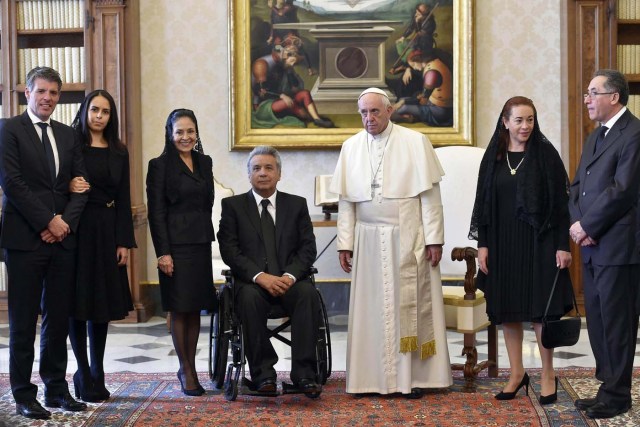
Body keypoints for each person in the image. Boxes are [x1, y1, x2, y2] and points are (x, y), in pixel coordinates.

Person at [329, 87, 451, 398]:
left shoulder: (415, 142)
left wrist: (434, 238)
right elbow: (346, 202)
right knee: (372, 310)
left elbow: (430, 197)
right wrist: (345, 244)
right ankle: (369, 379)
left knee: (407, 307)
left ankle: (413, 380)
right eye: (363, 113)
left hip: (408, 238)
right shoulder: (351, 146)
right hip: (367, 239)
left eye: (374, 112)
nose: (368, 118)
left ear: (389, 111)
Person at [468, 96, 574, 405]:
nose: (525, 126)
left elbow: (560, 206)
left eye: (529, 120)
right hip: (503, 244)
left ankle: (547, 373)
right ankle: (516, 373)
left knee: (542, 312)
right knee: (508, 311)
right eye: (518, 120)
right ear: (505, 122)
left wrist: (562, 246)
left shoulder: (546, 155)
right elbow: (484, 206)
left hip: (540, 243)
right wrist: (482, 245)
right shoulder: (494, 158)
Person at [0, 66, 88, 420]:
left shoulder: (68, 135)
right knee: (23, 321)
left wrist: (63, 223)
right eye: (42, 92)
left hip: (62, 240)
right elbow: (12, 182)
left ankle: (56, 388)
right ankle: (23, 393)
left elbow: (80, 185)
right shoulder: (8, 130)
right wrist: (47, 220)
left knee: (58, 319)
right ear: (27, 93)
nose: (48, 98)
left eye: (54, 92)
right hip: (24, 241)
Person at [217, 145, 320, 394]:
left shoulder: (296, 205)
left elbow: (307, 249)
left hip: (290, 283)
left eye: (268, 168)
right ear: (249, 174)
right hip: (253, 284)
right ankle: (264, 375)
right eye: (256, 168)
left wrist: (289, 276)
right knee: (249, 299)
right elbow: (230, 250)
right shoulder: (233, 206)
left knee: (308, 295)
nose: (262, 173)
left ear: (279, 174)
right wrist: (260, 277)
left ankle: (304, 375)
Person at [569, 69, 640, 419]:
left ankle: (618, 396)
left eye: (593, 92)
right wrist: (577, 224)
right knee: (597, 321)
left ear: (614, 97)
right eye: (587, 93)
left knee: (617, 322)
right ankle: (606, 387)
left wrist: (589, 224)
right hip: (593, 244)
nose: (587, 99)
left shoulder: (635, 133)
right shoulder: (597, 136)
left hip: (619, 246)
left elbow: (623, 190)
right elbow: (577, 185)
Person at [66, 90, 136, 402]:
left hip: (107, 231)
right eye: (94, 109)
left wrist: (124, 241)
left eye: (105, 112)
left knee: (101, 306)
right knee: (77, 302)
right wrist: (68, 184)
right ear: (84, 112)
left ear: (111, 117)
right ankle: (81, 370)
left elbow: (123, 198)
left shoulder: (119, 151)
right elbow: (56, 184)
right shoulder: (72, 146)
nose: (99, 116)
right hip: (77, 228)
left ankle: (98, 369)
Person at [146, 109, 216, 396]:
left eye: (190, 131)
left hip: (200, 243)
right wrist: (163, 252)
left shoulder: (204, 162)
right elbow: (156, 212)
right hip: (174, 246)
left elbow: (208, 203)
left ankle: (191, 365)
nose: (185, 137)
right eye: (179, 132)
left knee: (194, 306)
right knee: (179, 307)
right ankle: (185, 368)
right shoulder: (159, 165)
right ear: (170, 134)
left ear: (196, 133)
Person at [251, 36, 334, 129]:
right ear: (282, 51)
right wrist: (281, 96)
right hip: (264, 105)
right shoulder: (262, 64)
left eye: (294, 54)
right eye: (291, 54)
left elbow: (294, 87)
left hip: (280, 99)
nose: (293, 57)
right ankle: (310, 118)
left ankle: (317, 119)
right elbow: (260, 90)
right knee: (290, 103)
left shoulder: (283, 64)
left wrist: (289, 71)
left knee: (305, 93)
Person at [391, 49, 453, 127]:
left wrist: (404, 102)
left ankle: (409, 119)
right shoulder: (435, 63)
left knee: (402, 108)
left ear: (418, 60)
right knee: (401, 101)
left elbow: (423, 100)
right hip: (434, 105)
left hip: (439, 111)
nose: (413, 68)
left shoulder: (431, 73)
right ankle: (411, 117)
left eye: (413, 65)